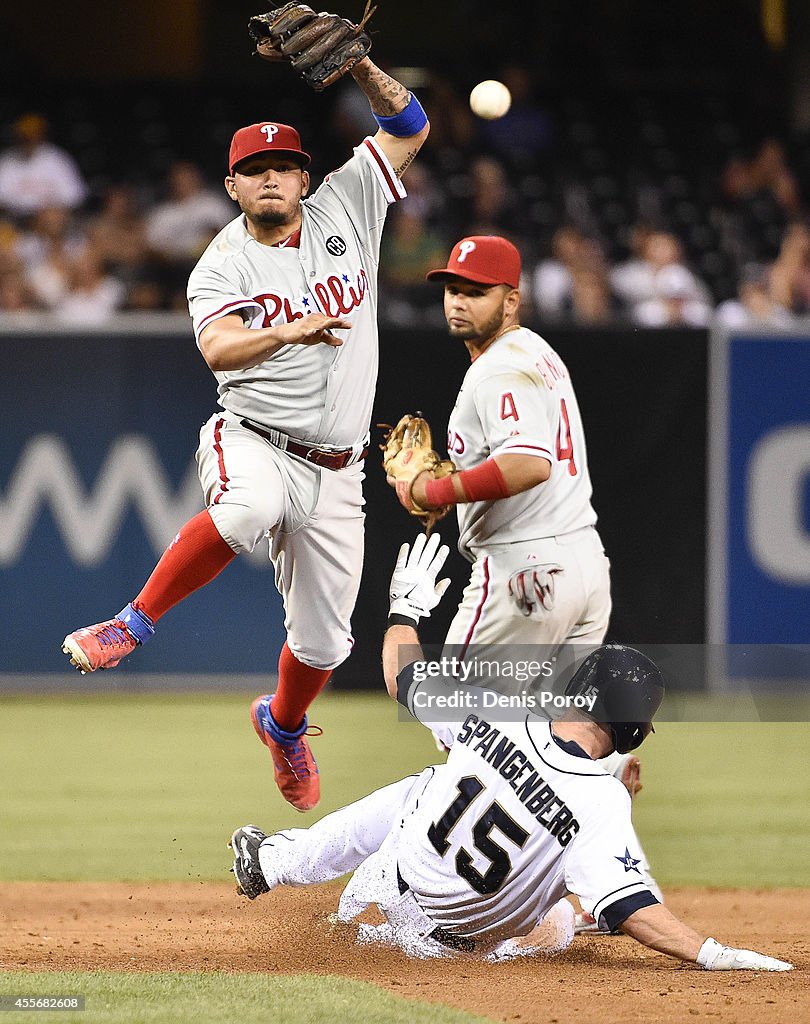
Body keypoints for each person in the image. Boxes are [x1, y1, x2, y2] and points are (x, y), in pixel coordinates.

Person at [61, 49, 431, 813]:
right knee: (245, 511)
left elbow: (410, 124)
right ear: (233, 186)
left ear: (304, 177)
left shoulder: (348, 204)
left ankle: (283, 724)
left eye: (284, 165)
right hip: (255, 437)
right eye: (255, 168)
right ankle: (133, 623)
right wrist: (290, 332)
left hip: (339, 468)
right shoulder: (220, 265)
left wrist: (360, 63)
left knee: (326, 645)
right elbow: (218, 348)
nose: (271, 177)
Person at [228, 534, 792, 971]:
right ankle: (576, 911)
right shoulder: (601, 802)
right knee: (568, 900)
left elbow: (403, 679)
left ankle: (276, 863)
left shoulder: (502, 712)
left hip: (371, 900)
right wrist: (711, 953)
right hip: (450, 958)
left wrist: (404, 610)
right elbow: (632, 910)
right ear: (635, 734)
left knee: (431, 785)